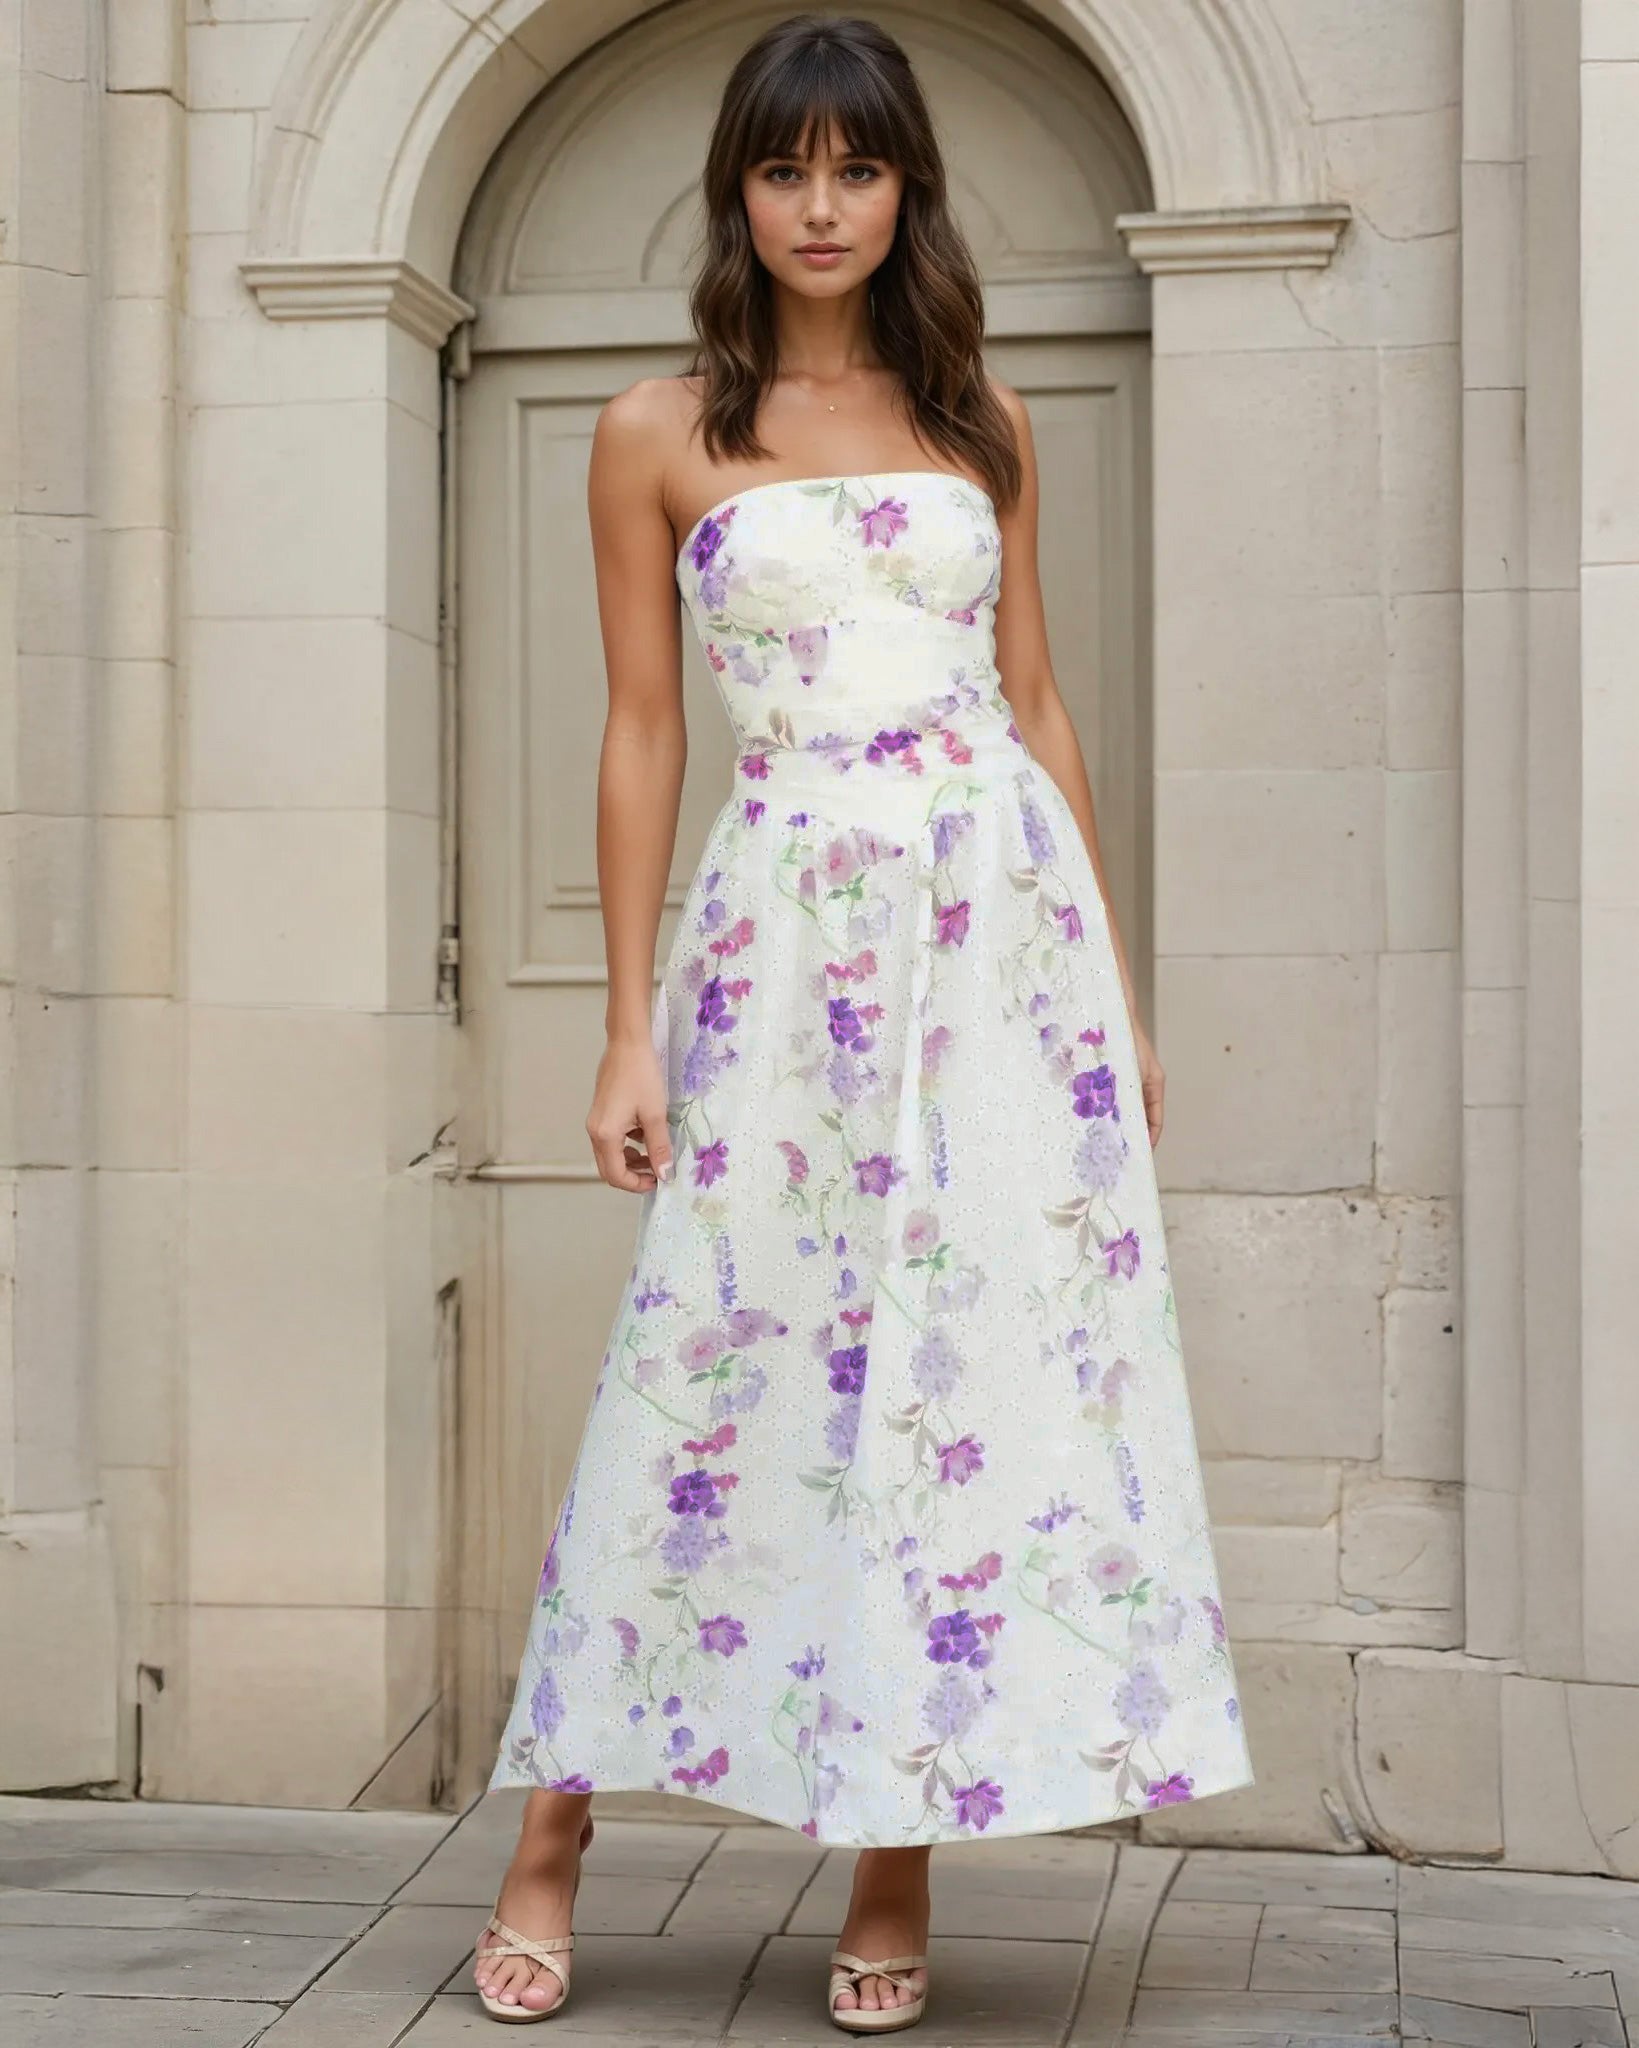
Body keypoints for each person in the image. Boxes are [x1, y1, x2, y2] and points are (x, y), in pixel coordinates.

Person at [472, 11, 1254, 2031]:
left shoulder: (983, 416)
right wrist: (627, 1026)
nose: (821, 206)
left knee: (952, 1371)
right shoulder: (654, 430)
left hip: (999, 948)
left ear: (906, 189)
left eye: (859, 168)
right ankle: (554, 1824)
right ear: (737, 190)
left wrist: (1113, 998)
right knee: (714, 1352)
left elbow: (1037, 704)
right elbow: (643, 735)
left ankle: (894, 1855)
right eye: (784, 168)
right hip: (786, 936)